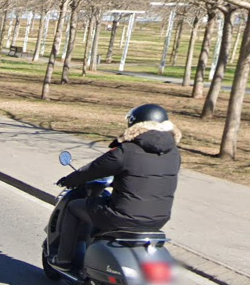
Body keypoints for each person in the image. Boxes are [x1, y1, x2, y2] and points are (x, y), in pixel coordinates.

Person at [52, 103, 182, 269]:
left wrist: (69, 180)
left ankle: (63, 260)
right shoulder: (174, 153)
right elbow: (149, 178)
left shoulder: (126, 150)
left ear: (135, 124)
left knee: (73, 207)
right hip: (159, 220)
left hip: (123, 217)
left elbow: (94, 169)